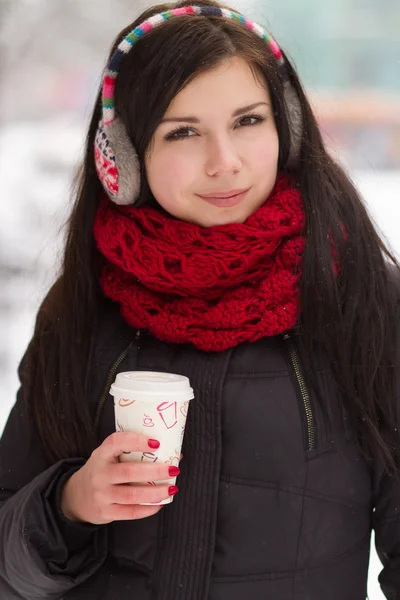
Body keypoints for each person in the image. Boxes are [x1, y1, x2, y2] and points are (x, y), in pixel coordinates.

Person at [1, 1, 400, 598]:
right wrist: (68, 505)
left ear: (287, 126)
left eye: (248, 121)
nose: (225, 162)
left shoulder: (363, 301)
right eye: (183, 131)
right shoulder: (82, 310)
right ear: (126, 158)